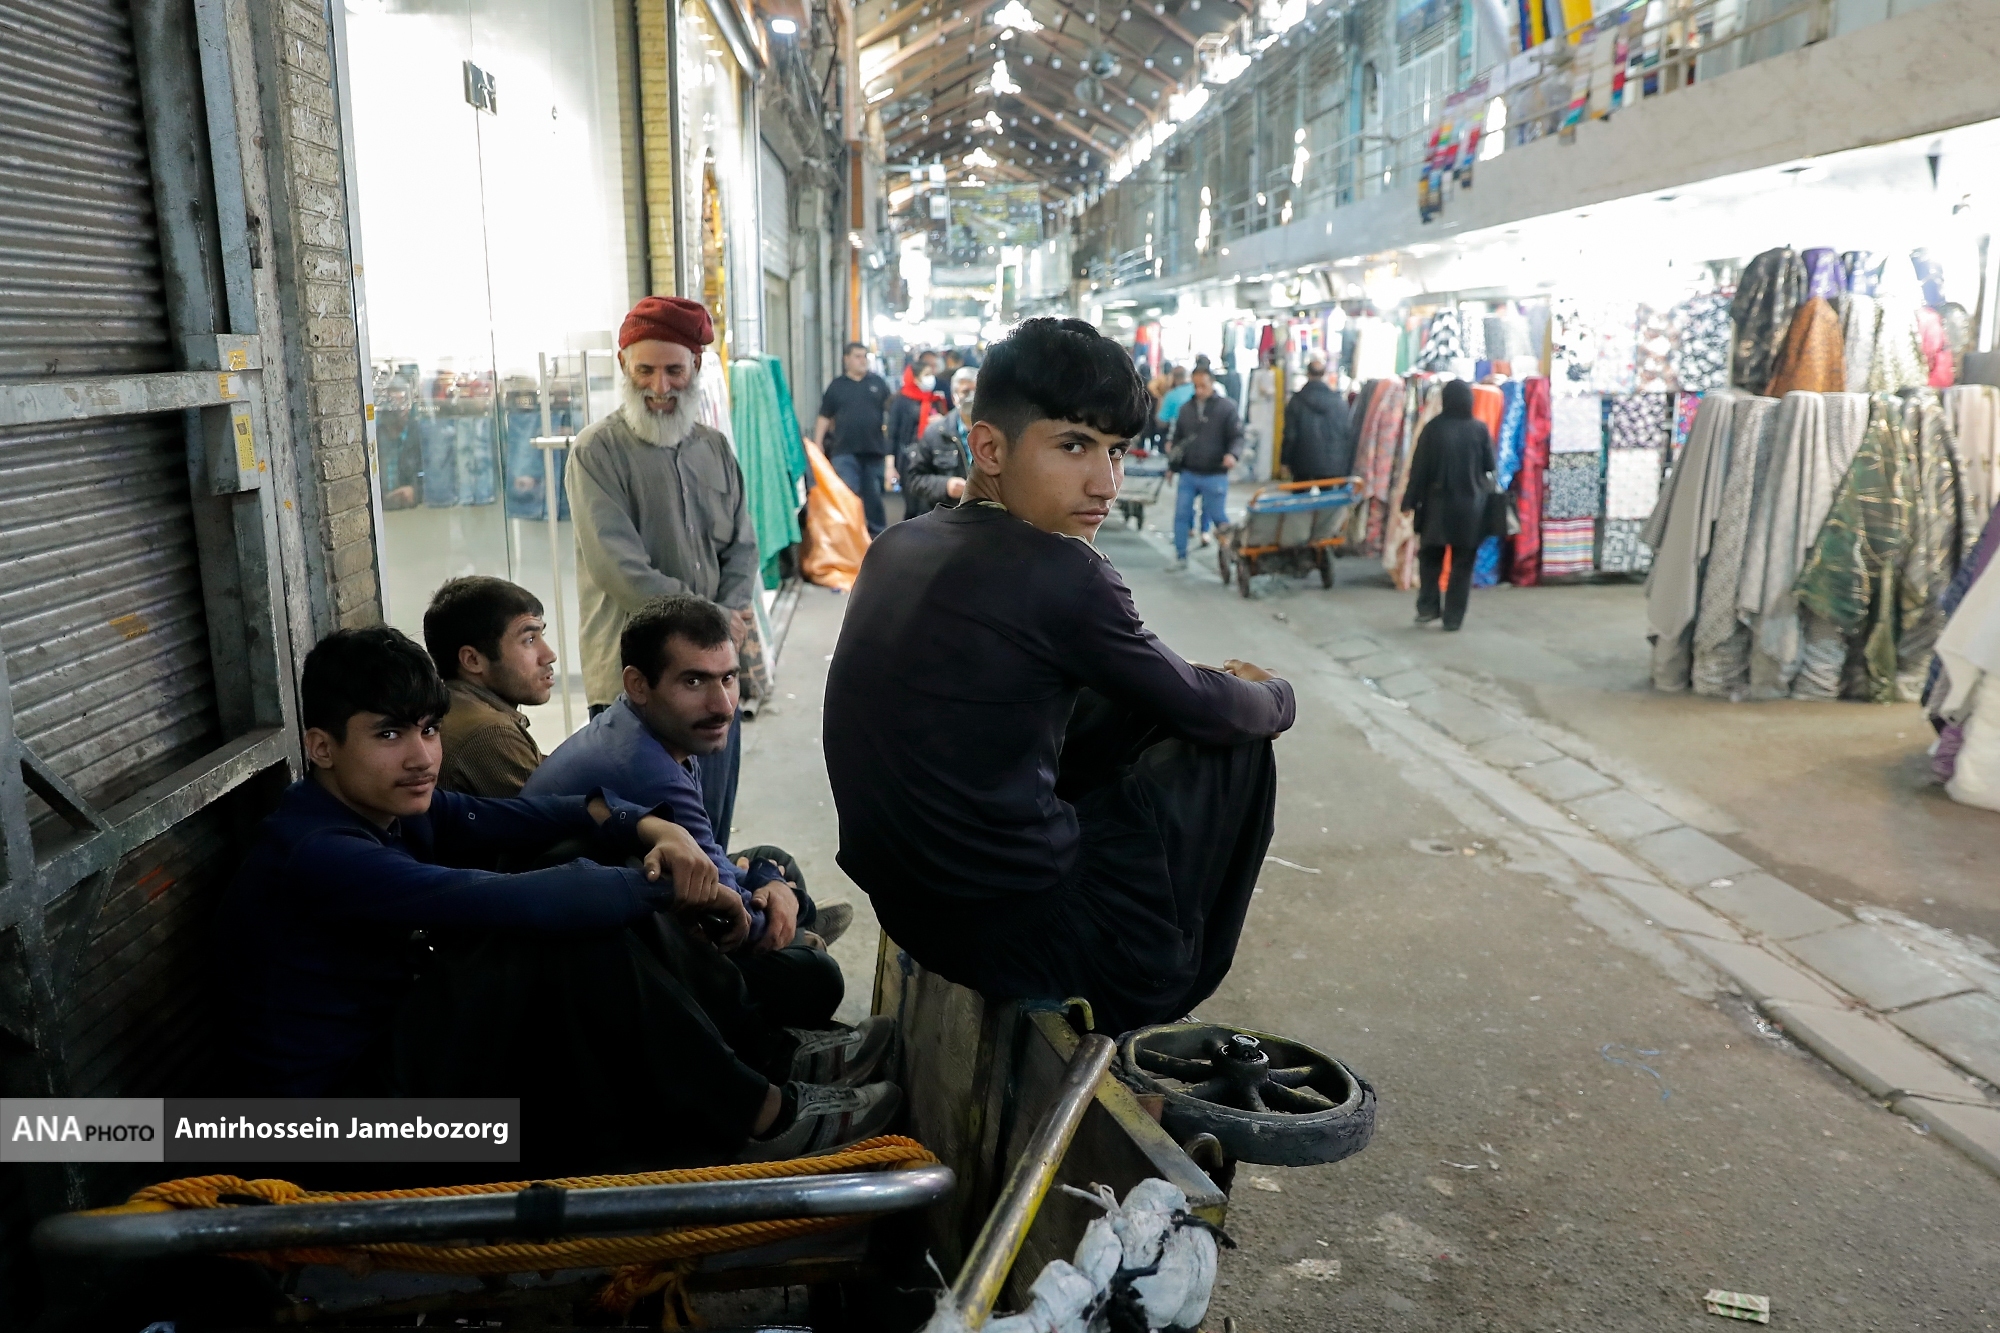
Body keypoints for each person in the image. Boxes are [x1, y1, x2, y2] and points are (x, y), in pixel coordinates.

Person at [214, 626, 900, 1170]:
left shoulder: (388, 808)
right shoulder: (320, 852)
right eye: (388, 734)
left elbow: (546, 816)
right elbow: (515, 903)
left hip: (400, 1073)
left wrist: (652, 828)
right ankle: (760, 1117)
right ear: (322, 747)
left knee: (580, 865)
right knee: (558, 933)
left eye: (428, 728)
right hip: (340, 1137)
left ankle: (764, 1055)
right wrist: (670, 886)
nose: (421, 756)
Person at [824, 317, 1294, 1037]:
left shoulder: (899, 542)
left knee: (1130, 699)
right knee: (1236, 737)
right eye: (1074, 446)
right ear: (989, 448)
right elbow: (1208, 709)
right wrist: (1276, 694)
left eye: (1116, 450)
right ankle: (1164, 970)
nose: (1106, 483)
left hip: (905, 902)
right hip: (1017, 935)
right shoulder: (1064, 572)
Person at [525, 594, 863, 1033]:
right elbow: (739, 921)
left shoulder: (646, 726)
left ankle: (796, 932)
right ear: (638, 684)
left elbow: (710, 863)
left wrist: (769, 880)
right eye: (694, 681)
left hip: (635, 906)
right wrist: (780, 895)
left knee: (773, 861)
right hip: (596, 967)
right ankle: (797, 939)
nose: (723, 705)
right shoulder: (645, 766)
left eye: (728, 678)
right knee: (816, 977)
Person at [569, 296, 758, 842]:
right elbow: (621, 571)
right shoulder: (596, 453)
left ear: (696, 367)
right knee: (655, 846)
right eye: (645, 370)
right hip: (640, 685)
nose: (659, 386)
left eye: (674, 370)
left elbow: (743, 546)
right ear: (623, 365)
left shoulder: (715, 449)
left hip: (713, 682)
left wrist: (728, 615)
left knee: (711, 830)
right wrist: (717, 620)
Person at [423, 576, 555, 798]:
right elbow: (554, 815)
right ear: (473, 660)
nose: (550, 655)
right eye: (529, 640)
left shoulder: (454, 704)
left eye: (542, 635)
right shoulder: (489, 732)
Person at [1400, 379, 1496, 632]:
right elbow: (1490, 465)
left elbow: (1418, 470)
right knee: (1462, 565)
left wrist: (1409, 501)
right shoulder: (1479, 429)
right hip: (1470, 509)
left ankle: (1428, 608)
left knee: (1430, 559)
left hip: (1436, 507)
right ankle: (1453, 618)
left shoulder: (1433, 429)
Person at [1164, 365, 1243, 571]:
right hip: (1189, 472)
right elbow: (1178, 440)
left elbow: (1237, 437)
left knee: (1219, 516)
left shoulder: (1227, 408)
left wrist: (1232, 455)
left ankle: (1232, 554)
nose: (1199, 390)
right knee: (1182, 514)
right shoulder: (1186, 409)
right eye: (1196, 386)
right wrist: (1172, 466)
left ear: (1212, 384)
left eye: (1203, 386)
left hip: (1215, 473)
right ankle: (1180, 556)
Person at [814, 342, 893, 536]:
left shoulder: (877, 383)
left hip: (873, 451)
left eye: (864, 356)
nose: (862, 361)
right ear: (846, 359)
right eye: (857, 356)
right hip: (844, 451)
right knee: (847, 496)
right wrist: (818, 444)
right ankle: (849, 537)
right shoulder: (837, 386)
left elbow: (890, 413)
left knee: (873, 498)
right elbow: (824, 416)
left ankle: (877, 536)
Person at [901, 365, 978, 519]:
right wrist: (945, 485)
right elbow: (915, 479)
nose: (972, 397)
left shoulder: (998, 432)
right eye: (965, 391)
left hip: (989, 518)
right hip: (949, 517)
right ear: (954, 396)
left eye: (977, 391)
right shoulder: (936, 433)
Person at [1281, 357, 1355, 483]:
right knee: (1328, 495)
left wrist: (1285, 461)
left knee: (1301, 494)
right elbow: (1346, 433)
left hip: (1301, 462)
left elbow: (1290, 435)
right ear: (1324, 374)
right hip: (1332, 464)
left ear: (1307, 373)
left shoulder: (1296, 401)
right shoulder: (1338, 402)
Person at [888, 352, 945, 464]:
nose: (931, 378)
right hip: (908, 457)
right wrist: (890, 464)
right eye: (926, 375)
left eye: (931, 374)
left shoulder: (935, 399)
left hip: (934, 456)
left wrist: (941, 421)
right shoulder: (901, 401)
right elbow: (892, 433)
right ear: (915, 379)